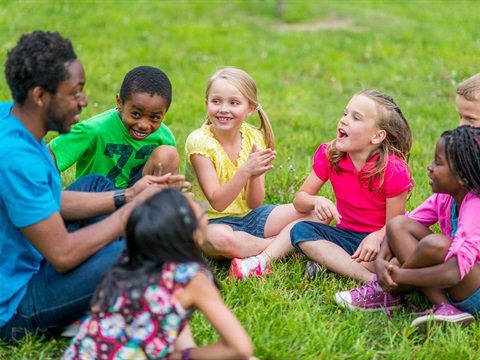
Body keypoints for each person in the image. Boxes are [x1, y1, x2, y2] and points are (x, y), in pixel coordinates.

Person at [0, 31, 186, 342]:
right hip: (14, 305)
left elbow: (52, 200)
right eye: (74, 93)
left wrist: (128, 195)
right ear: (40, 96)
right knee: (136, 249)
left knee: (98, 186)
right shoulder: (18, 160)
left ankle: (107, 294)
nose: (84, 101)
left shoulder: (12, 116)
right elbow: (62, 253)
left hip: (29, 255)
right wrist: (131, 212)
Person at [63, 189, 255, 359]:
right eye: (200, 209)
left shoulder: (127, 263)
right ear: (193, 234)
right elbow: (241, 348)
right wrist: (183, 355)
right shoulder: (190, 277)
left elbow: (171, 319)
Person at [335, 126, 479, 328]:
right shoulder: (444, 198)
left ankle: (389, 291)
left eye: (438, 163)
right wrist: (381, 262)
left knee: (435, 244)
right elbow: (399, 227)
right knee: (398, 223)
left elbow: (454, 272)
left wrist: (400, 277)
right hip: (458, 284)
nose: (429, 167)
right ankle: (444, 308)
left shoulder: (475, 207)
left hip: (475, 292)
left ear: (463, 178)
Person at [185, 67, 313, 270]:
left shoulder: (254, 137)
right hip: (212, 223)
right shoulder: (199, 142)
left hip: (251, 218)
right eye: (216, 101)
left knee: (318, 214)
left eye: (234, 103)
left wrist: (255, 175)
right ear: (206, 103)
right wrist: (245, 170)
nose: (223, 109)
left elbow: (254, 203)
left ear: (250, 109)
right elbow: (218, 202)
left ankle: (269, 246)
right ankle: (280, 246)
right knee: (219, 240)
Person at [286, 90, 414, 284]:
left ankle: (333, 265)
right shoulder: (330, 154)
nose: (344, 120)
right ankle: (370, 280)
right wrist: (316, 200)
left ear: (377, 136)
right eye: (345, 113)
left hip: (381, 242)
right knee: (300, 231)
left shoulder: (394, 169)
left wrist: (377, 236)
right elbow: (300, 201)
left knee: (402, 256)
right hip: (345, 236)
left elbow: (394, 225)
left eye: (356, 118)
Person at [48, 65, 179, 189]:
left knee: (168, 154)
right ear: (120, 102)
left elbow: (171, 182)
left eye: (154, 117)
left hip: (134, 200)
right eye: (136, 114)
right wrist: (52, 197)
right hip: (95, 199)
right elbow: (48, 154)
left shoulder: (164, 137)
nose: (143, 125)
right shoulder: (95, 130)